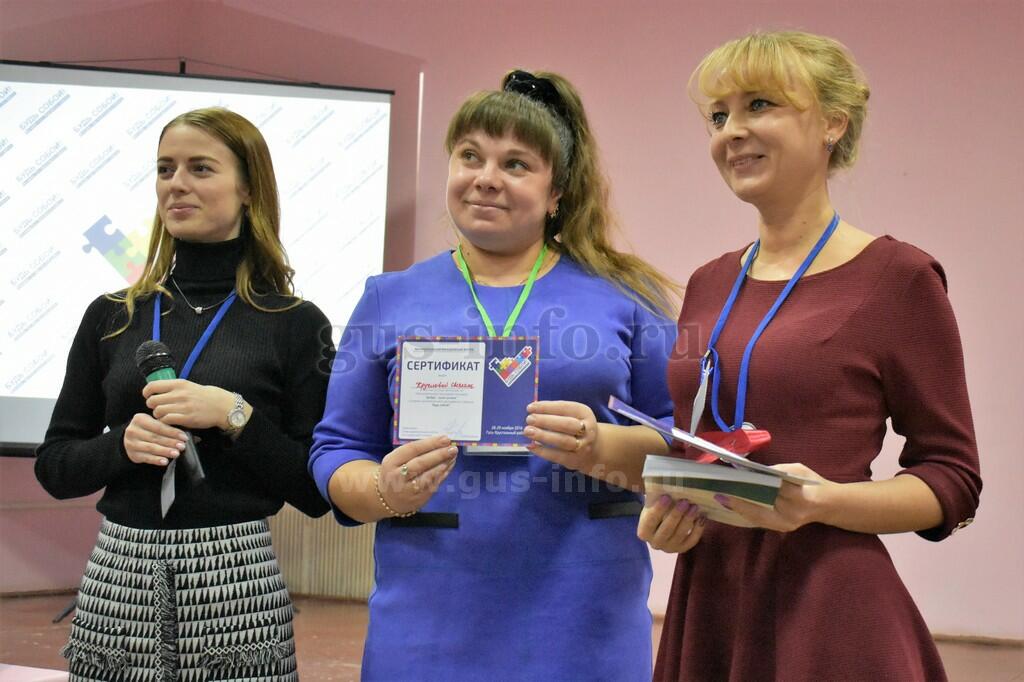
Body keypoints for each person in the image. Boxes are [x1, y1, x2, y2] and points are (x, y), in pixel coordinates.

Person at [310, 70, 679, 680]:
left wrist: (600, 447)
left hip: (585, 615)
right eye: (470, 156)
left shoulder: (628, 296)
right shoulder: (388, 297)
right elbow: (336, 449)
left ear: (557, 192)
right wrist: (383, 489)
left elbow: (682, 446)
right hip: (428, 617)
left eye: (515, 164)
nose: (486, 177)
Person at [637, 31, 982, 680]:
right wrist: (671, 512)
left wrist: (824, 501)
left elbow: (952, 479)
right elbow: (693, 448)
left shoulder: (899, 278)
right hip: (710, 604)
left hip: (829, 616)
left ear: (832, 123)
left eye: (759, 105)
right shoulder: (709, 282)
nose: (732, 131)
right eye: (719, 116)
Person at [35, 107, 331, 681]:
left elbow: (315, 491)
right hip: (117, 587)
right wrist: (120, 445)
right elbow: (54, 467)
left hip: (237, 589)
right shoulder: (112, 315)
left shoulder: (296, 323)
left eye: (200, 168)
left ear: (248, 188)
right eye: (165, 168)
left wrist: (234, 415)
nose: (177, 184)